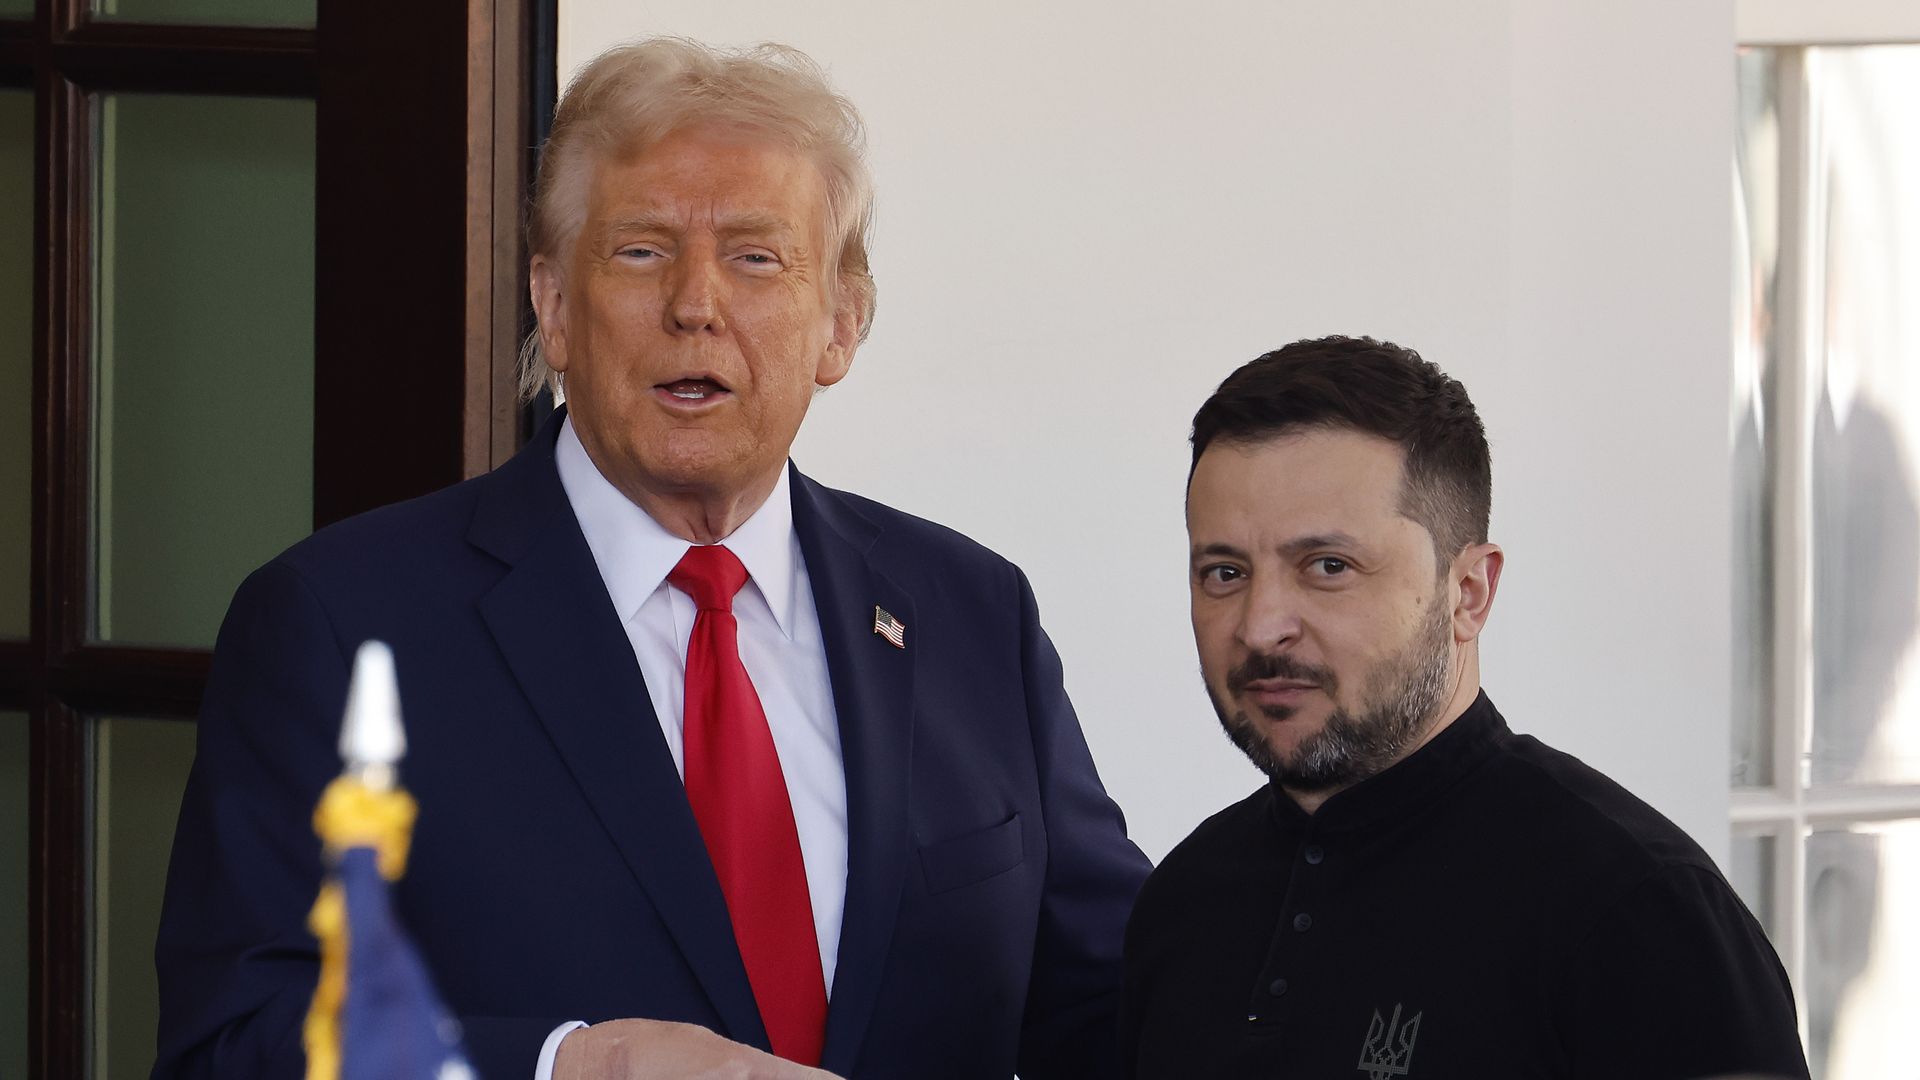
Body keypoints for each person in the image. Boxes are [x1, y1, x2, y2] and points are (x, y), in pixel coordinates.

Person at [153, 38, 1149, 1080]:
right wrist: (568, 1067)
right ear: (553, 306)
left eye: (757, 257)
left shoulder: (968, 610)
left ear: (842, 324)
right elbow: (234, 1042)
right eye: (640, 250)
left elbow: (1121, 1005)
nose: (695, 304)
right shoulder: (338, 623)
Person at [1121, 336, 1809, 1079]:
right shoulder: (1183, 902)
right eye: (1224, 572)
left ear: (1469, 593)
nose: (1260, 625)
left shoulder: (1638, 909)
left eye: (1328, 567)